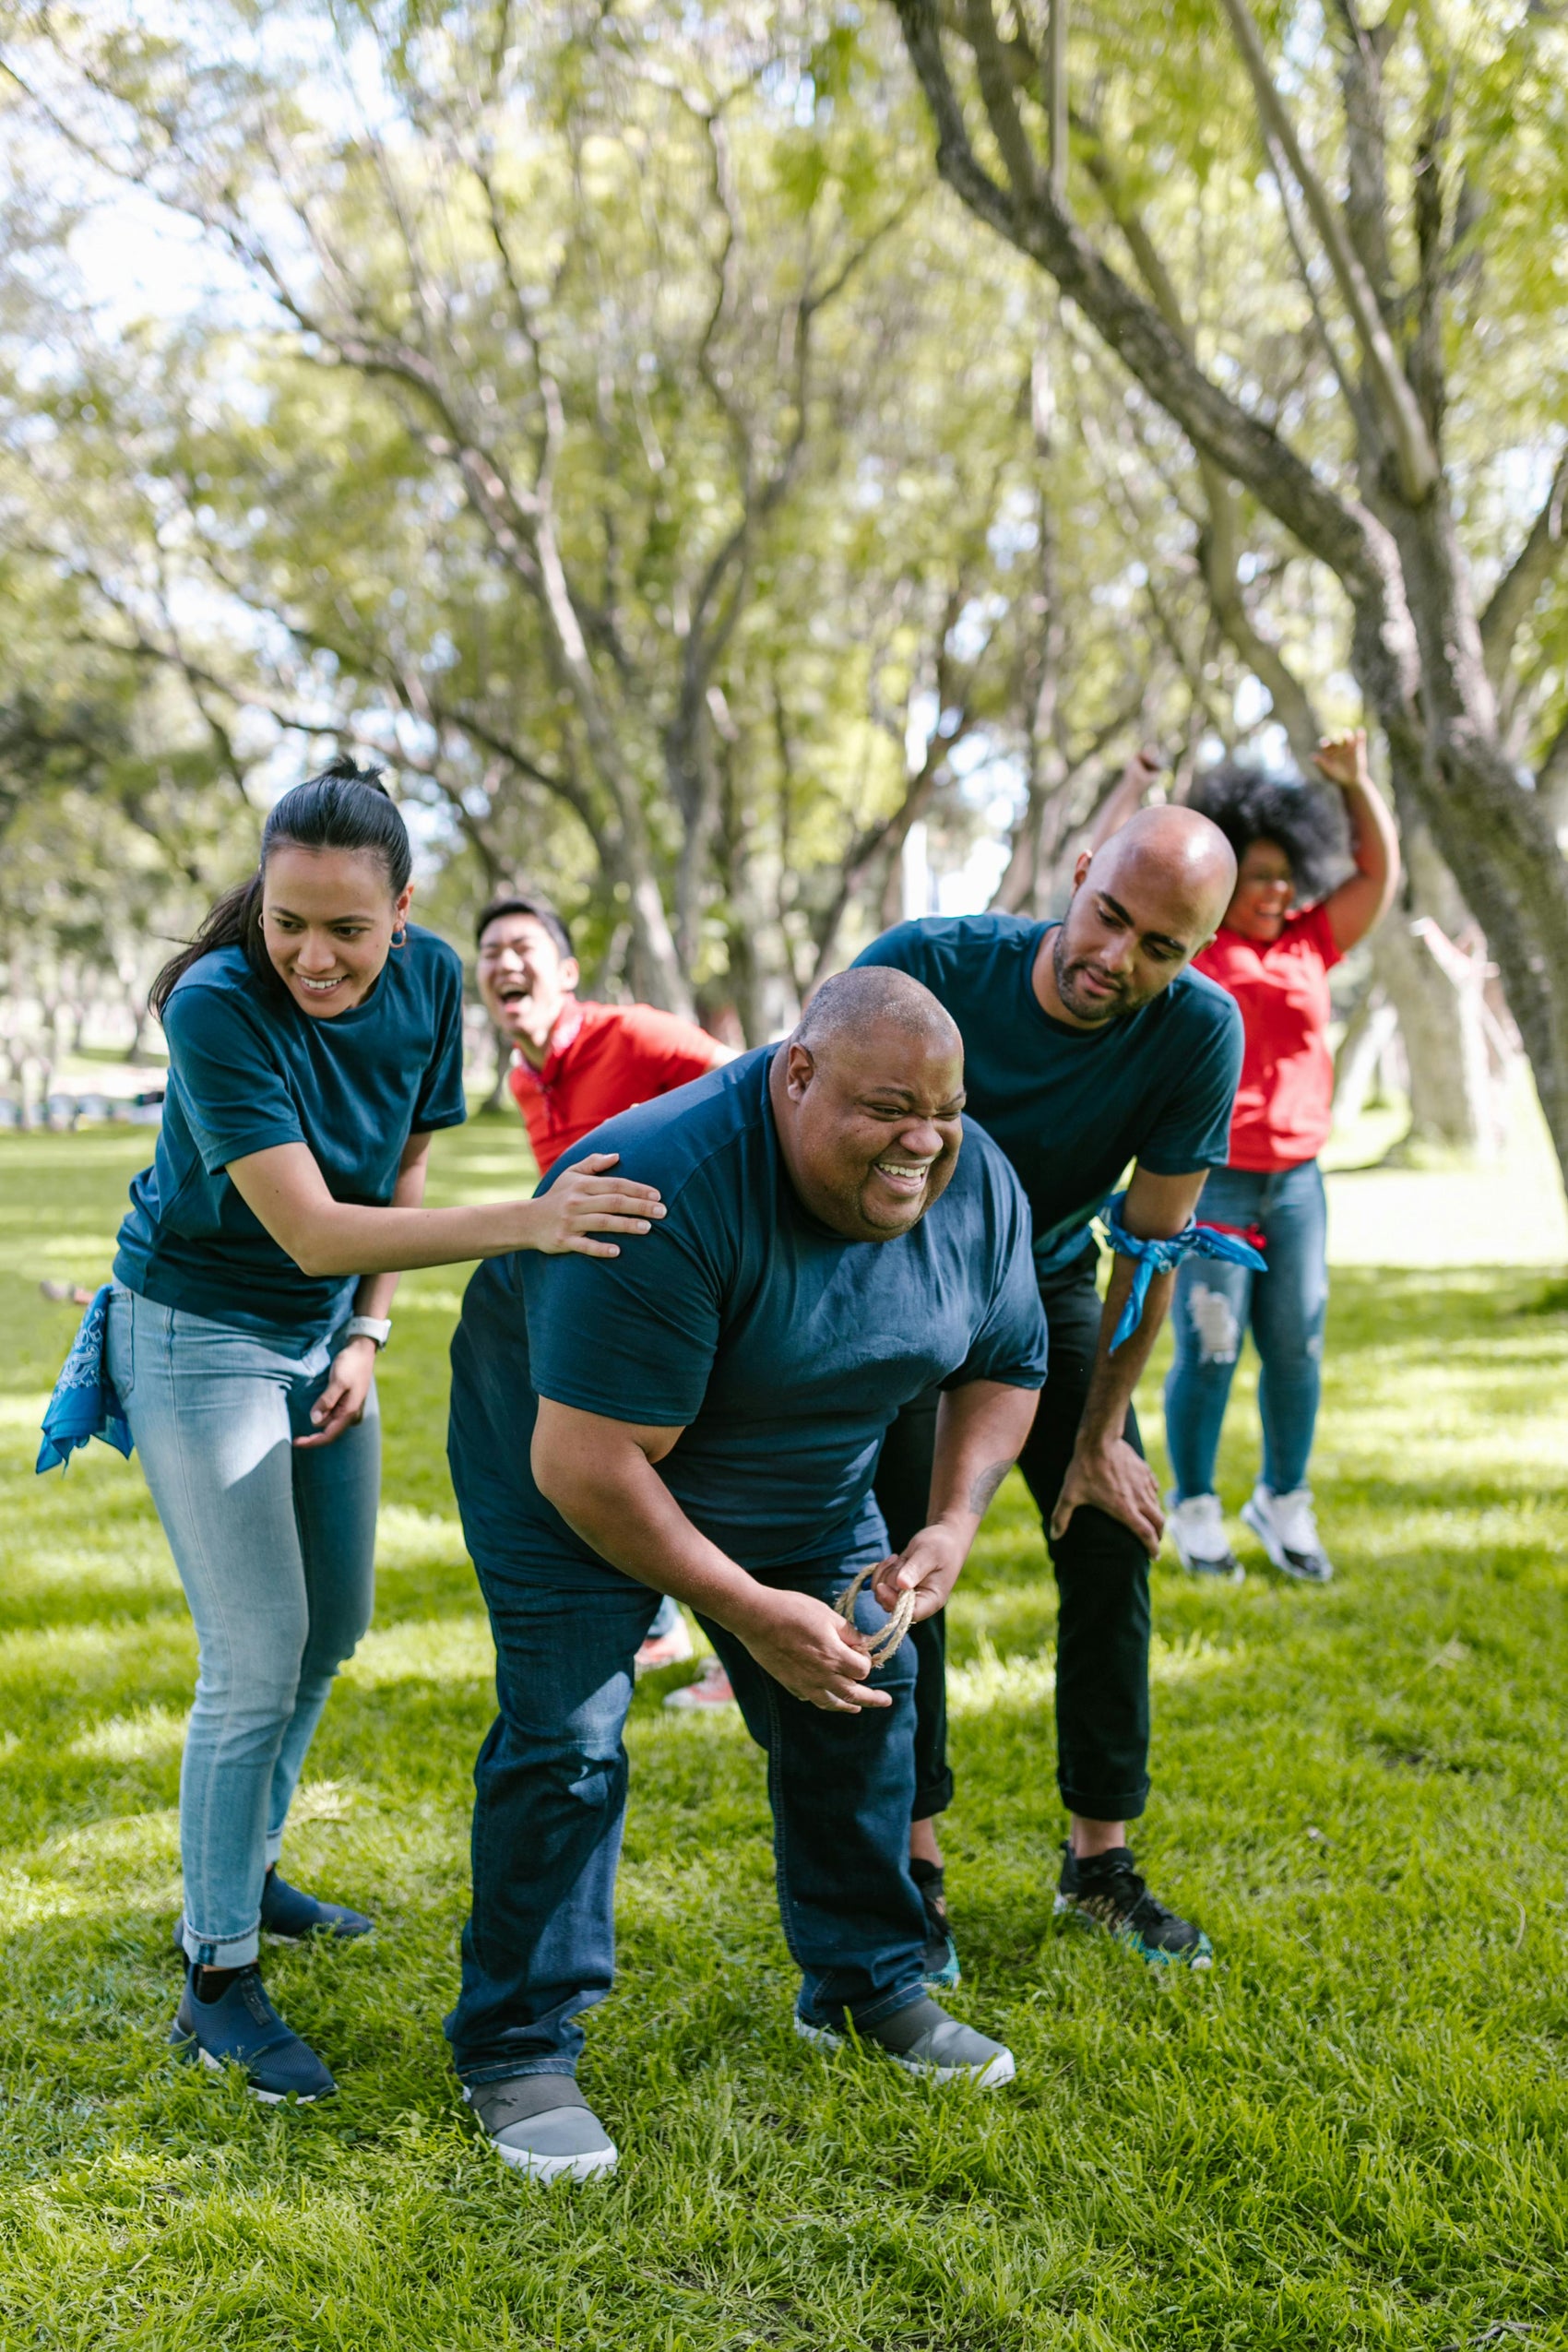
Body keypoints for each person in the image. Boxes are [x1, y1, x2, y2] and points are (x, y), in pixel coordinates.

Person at [46, 759, 664, 2106]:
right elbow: (313, 1223)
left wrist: (372, 1334)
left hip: (326, 1337)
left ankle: (247, 1867)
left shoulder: (434, 977)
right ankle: (215, 1975)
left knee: (332, 1627)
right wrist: (535, 1218)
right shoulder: (217, 1003)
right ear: (257, 903)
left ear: (402, 910)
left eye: (346, 928)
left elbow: (402, 1170)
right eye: (287, 922)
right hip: (195, 1327)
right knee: (255, 1653)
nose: (313, 956)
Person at [444, 967, 1049, 2180]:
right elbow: (586, 1459)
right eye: (887, 1107)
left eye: (945, 1106)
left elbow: (1008, 1358)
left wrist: (951, 1522)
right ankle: (515, 2043)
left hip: (802, 1467)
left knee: (864, 1691)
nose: (922, 1139)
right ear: (796, 1075)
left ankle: (867, 1983)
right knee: (570, 1732)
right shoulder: (659, 1184)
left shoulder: (969, 1174)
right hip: (573, 1462)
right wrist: (741, 1609)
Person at [855, 802, 1241, 1978]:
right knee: (911, 1560)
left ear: (1194, 956)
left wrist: (1102, 1433)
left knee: (1112, 1527)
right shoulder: (925, 969)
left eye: (1159, 949)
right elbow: (805, 1123)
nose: (1114, 961)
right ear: (1076, 875)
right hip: (897, 1285)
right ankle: (912, 1871)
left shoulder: (1193, 1036)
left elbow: (1152, 1246)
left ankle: (1098, 1865)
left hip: (1050, 1285)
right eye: (1107, 917)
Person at [474, 891, 733, 1684]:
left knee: (716, 1473)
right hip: (606, 1297)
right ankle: (658, 1624)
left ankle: (741, 1656)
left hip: (697, 1287)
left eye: (523, 946)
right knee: (577, 1458)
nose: (505, 963)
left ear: (568, 972)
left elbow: (751, 1088)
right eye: (489, 953)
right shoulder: (526, 1076)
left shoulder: (635, 1033)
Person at [1161, 730, 1399, 1583]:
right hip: (1213, 1178)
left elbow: (1377, 877)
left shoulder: (1308, 942)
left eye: (1283, 875)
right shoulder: (1192, 944)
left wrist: (1357, 784)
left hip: (1297, 1180)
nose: (1274, 890)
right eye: (1255, 876)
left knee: (1296, 1346)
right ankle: (1193, 1509)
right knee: (1212, 1347)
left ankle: (1283, 1502)